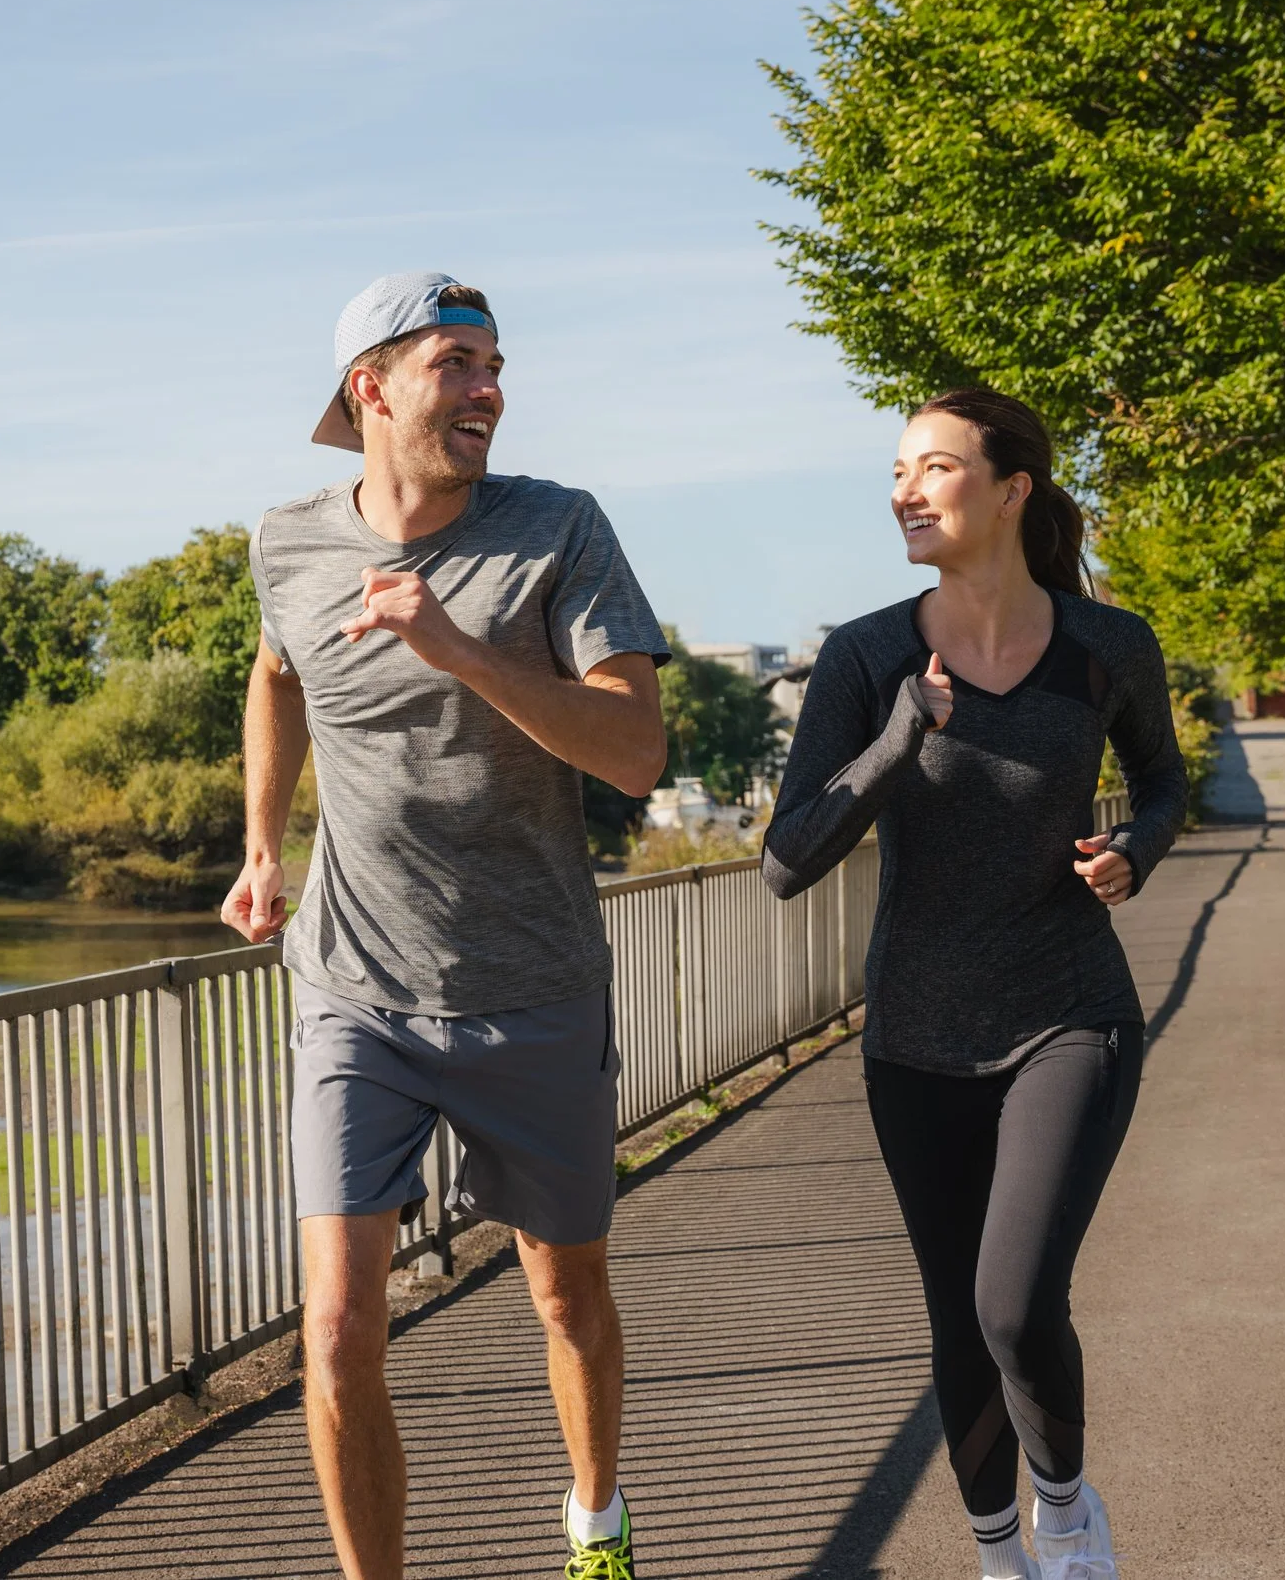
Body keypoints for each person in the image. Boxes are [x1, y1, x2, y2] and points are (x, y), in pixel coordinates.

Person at [225, 272, 671, 1580]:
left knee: (563, 1293)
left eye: (495, 364)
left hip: (531, 982)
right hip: (354, 987)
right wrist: (263, 841)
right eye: (458, 363)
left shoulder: (558, 532)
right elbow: (274, 670)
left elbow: (638, 753)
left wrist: (462, 647)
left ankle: (596, 1520)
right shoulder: (290, 540)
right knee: (337, 1321)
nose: (491, 391)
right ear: (372, 386)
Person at [762, 386, 1186, 1580]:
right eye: (897, 468)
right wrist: (899, 737)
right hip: (916, 1038)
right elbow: (786, 859)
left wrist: (1132, 852)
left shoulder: (1109, 646)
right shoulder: (866, 655)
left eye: (934, 466)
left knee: (1012, 1301)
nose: (904, 488)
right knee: (958, 1319)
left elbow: (1162, 784)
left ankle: (1066, 1513)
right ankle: (999, 1556)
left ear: (1011, 491)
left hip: (1068, 1012)